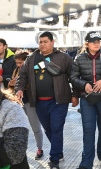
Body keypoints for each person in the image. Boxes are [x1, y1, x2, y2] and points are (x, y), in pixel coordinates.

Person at [15, 31, 76, 169]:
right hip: (39, 101)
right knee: (48, 129)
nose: (42, 44)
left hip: (59, 101)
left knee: (56, 128)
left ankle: (54, 159)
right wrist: (19, 88)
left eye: (45, 41)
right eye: (40, 42)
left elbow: (74, 75)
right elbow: (22, 75)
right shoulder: (31, 58)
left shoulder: (63, 57)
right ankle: (58, 151)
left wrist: (76, 94)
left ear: (52, 42)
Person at [70, 31, 101, 169]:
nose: (97, 43)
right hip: (87, 99)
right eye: (93, 41)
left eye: (98, 41)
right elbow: (73, 78)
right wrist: (84, 85)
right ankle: (86, 163)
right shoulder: (79, 58)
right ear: (86, 44)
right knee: (88, 129)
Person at [8, 50, 44, 160]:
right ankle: (20, 150)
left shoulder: (34, 68)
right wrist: (11, 83)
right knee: (19, 127)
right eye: (17, 63)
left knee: (35, 127)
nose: (18, 65)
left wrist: (20, 84)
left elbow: (36, 84)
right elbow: (12, 85)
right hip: (18, 101)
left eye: (21, 62)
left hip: (30, 100)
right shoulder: (16, 70)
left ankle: (40, 149)